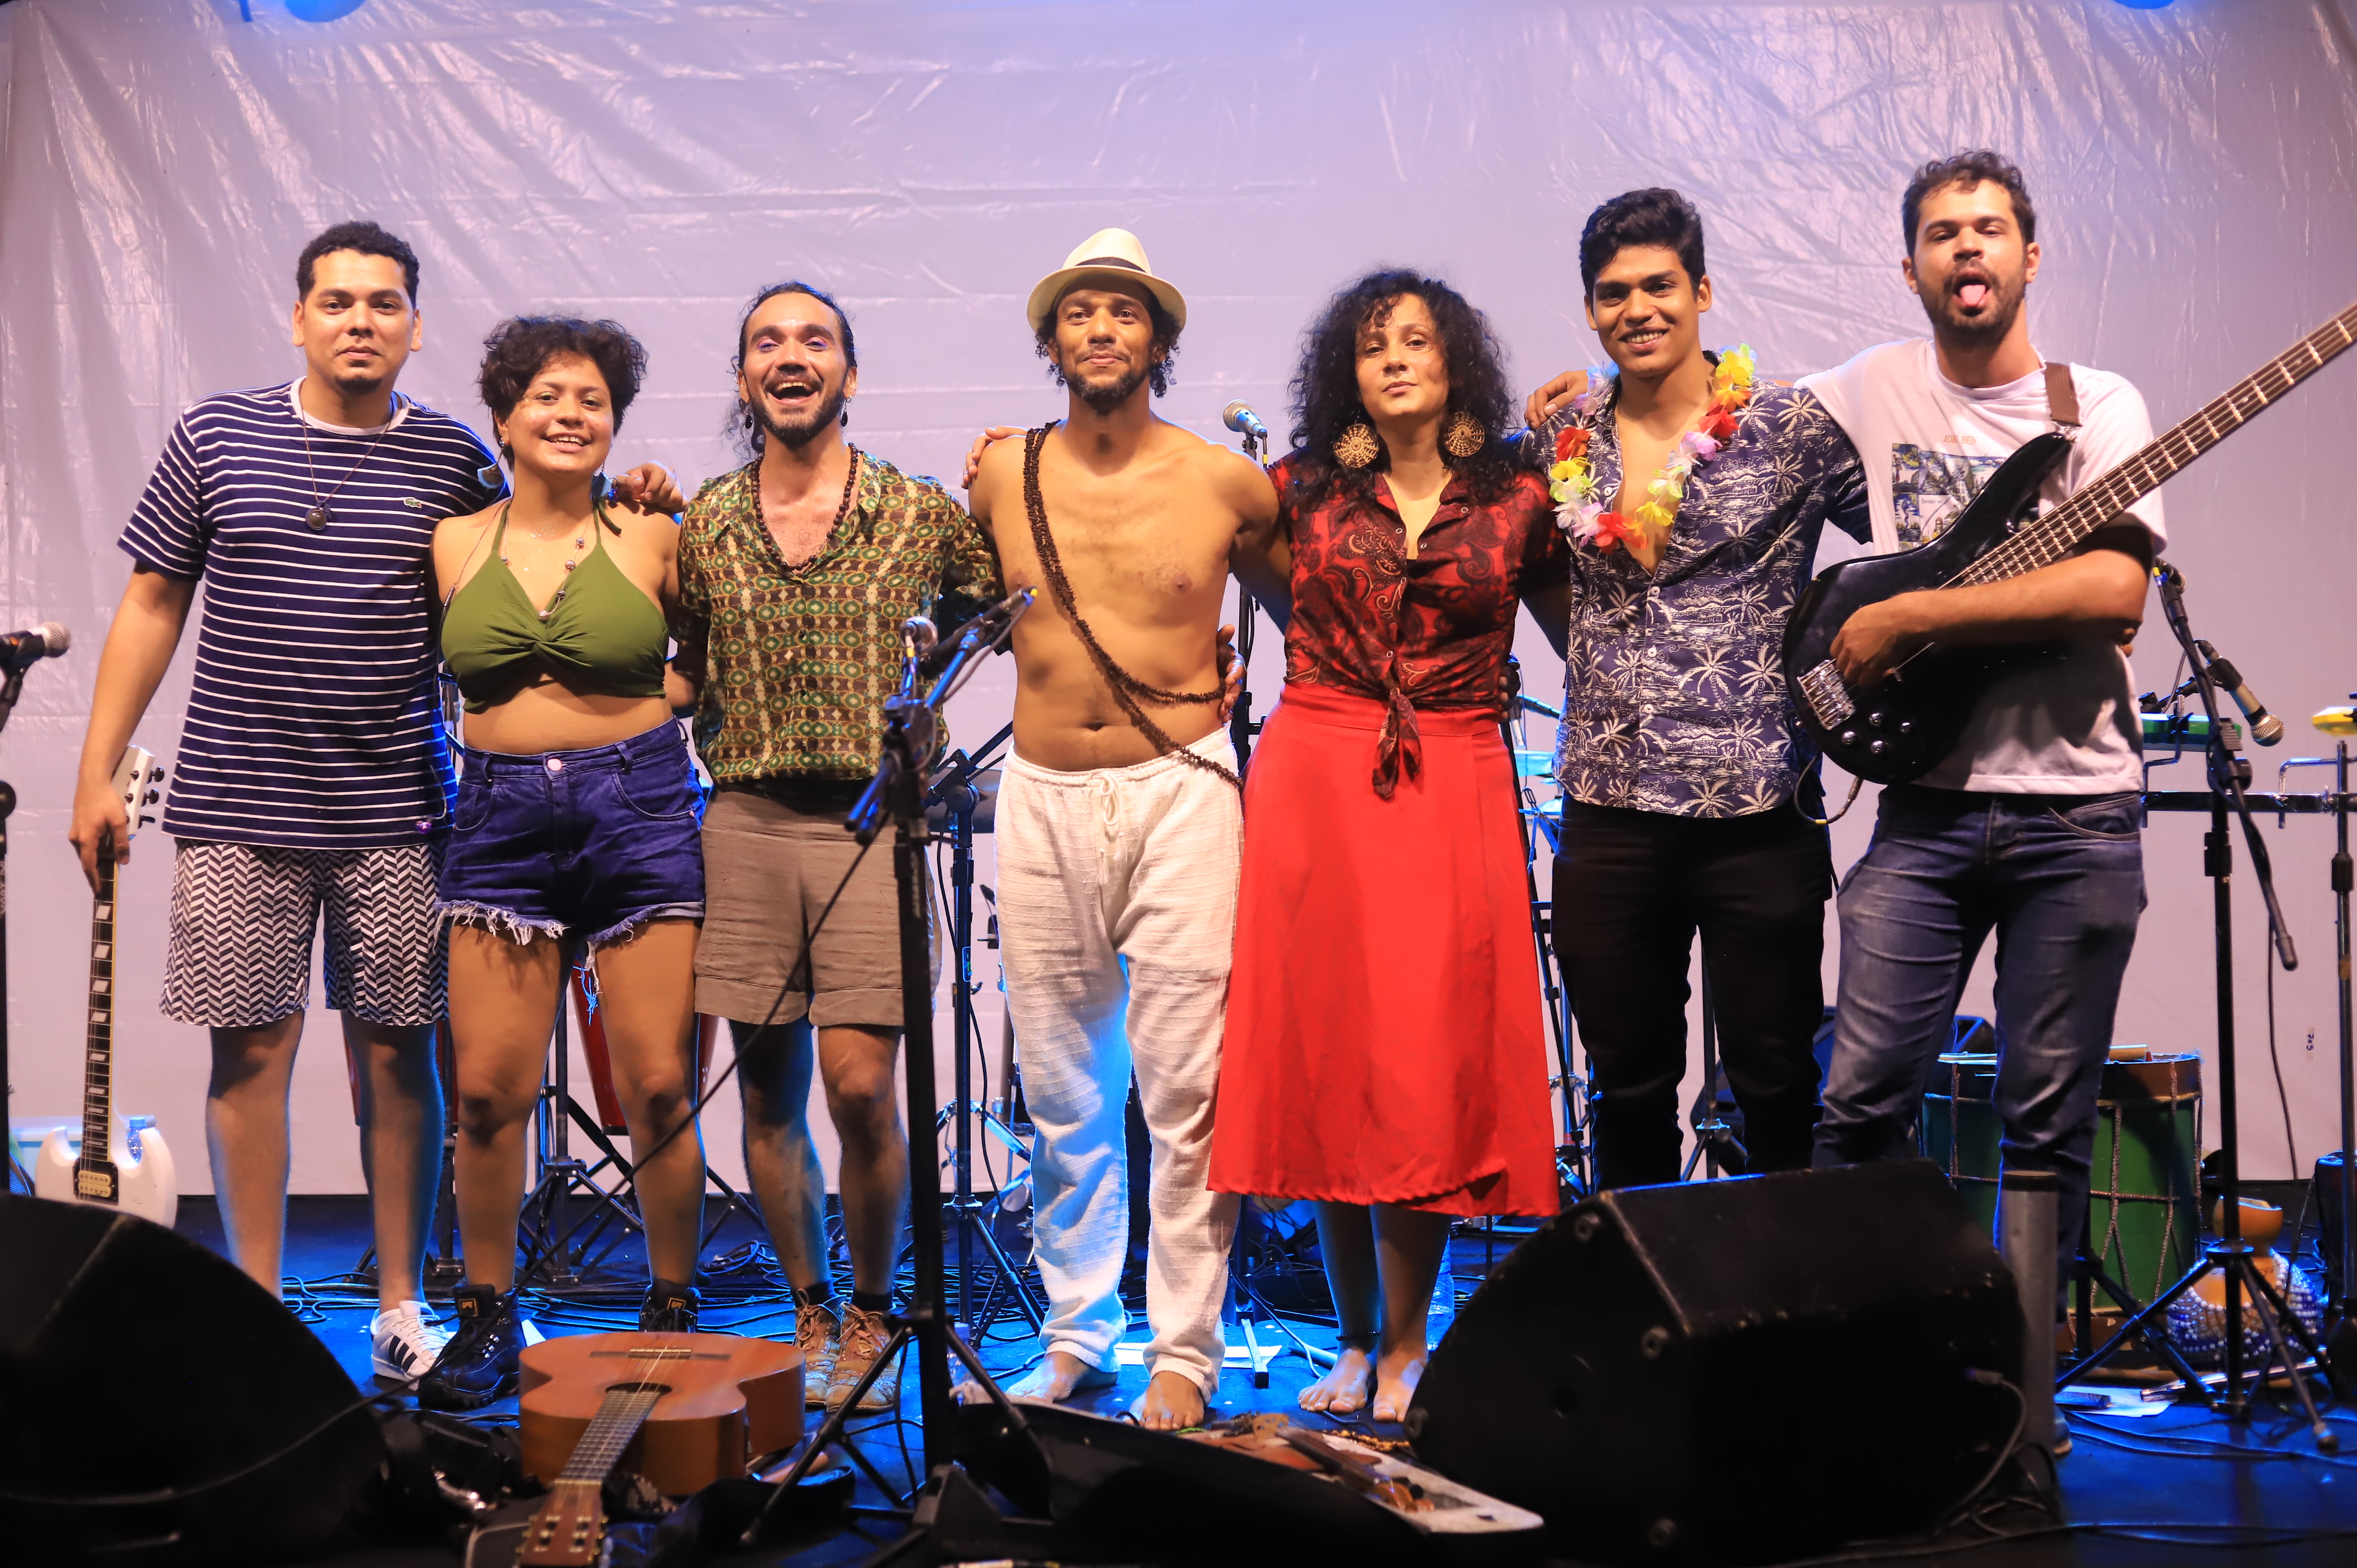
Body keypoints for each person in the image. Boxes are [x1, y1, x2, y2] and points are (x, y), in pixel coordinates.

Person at [67, 222, 679, 1384]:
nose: (361, 321)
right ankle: (255, 1315)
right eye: (338, 302)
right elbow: (151, 602)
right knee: (250, 1054)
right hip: (239, 799)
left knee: (401, 1058)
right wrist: (98, 769)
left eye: (384, 303)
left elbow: (548, 533)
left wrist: (640, 488)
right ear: (299, 317)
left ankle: (405, 1306)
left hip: (403, 807)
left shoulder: (452, 457)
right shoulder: (215, 434)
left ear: (415, 326)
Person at [1207, 270, 1570, 1422]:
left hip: (1453, 771)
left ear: (1454, 359)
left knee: (1421, 1061)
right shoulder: (1297, 489)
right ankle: (1357, 1340)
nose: (1397, 359)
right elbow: (1233, 566)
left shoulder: (1521, 492)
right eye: (1375, 347)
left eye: (1417, 340)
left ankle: (1412, 1343)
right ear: (1349, 374)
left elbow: (1587, 622)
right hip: (1320, 771)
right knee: (1333, 1056)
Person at [1800, 152, 2158, 1303]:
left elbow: (2113, 592)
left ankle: (2017, 1392)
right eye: (1943, 232)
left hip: (2078, 815)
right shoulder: (1871, 385)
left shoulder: (2097, 407)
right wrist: (1588, 397)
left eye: (1990, 228)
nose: (1967, 245)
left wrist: (1917, 613)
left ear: (2028, 257)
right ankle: (1859, 1366)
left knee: (2044, 1129)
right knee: (1860, 1105)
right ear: (1909, 268)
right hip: (1926, 809)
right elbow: (1719, 426)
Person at [956, 228, 1282, 1430]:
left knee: (1186, 1090)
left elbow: (1319, 621)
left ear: (1160, 340)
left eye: (1125, 312)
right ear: (1052, 341)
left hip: (1181, 786)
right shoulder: (999, 472)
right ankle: (1078, 1335)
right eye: (1080, 313)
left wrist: (1244, 688)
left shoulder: (1225, 481)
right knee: (1061, 1090)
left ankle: (1185, 1349)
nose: (1102, 330)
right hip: (1041, 789)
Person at [669, 281, 1001, 1416]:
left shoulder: (918, 513)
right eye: (767, 341)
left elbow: (991, 609)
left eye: (815, 339)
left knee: (861, 1088)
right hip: (747, 820)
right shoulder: (708, 522)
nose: (791, 355)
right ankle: (809, 1310)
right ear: (744, 377)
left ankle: (870, 1309)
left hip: (874, 826)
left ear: (849, 374)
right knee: (768, 1095)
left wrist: (1009, 469)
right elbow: (686, 663)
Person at [1524, 190, 1870, 1192]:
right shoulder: (1562, 436)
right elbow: (1513, 551)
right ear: (1591, 311)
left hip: (1758, 810)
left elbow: (1906, 546)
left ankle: (1782, 1281)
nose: (1638, 309)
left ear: (1704, 291)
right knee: (1628, 1086)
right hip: (1608, 812)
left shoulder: (1792, 426)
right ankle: (1641, 1284)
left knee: (1775, 1080)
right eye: (1614, 293)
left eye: (1660, 286)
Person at [414, 317, 708, 1409]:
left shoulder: (654, 534)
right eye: (546, 396)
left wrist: (640, 710)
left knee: (658, 1085)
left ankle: (671, 1307)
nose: (570, 415)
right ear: (503, 418)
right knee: (487, 1094)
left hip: (638, 811)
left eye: (592, 399)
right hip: (497, 820)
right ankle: (488, 1315)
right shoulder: (455, 541)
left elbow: (709, 663)